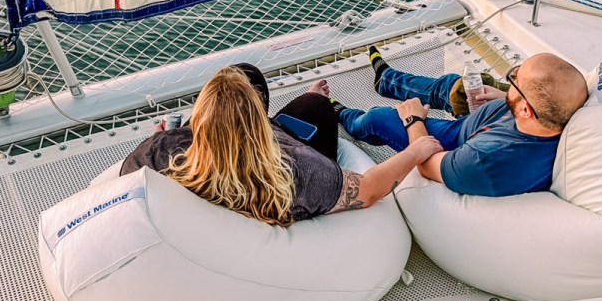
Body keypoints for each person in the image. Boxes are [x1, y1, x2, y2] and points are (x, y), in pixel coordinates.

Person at [119, 65, 442, 226]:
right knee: (315, 106)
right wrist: (416, 146)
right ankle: (310, 100)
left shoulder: (160, 152)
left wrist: (163, 135)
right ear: (257, 124)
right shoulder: (297, 172)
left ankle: (243, 115)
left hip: (212, 153)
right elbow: (369, 189)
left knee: (245, 74)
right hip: (273, 152)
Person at [322, 48, 588, 198]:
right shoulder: (551, 114)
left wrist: (413, 118)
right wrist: (504, 96)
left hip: (458, 142)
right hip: (479, 123)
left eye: (516, 78)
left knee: (377, 118)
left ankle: (340, 113)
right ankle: (388, 79)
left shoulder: (486, 160)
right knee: (454, 87)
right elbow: (535, 101)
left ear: (526, 110)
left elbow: (427, 165)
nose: (512, 75)